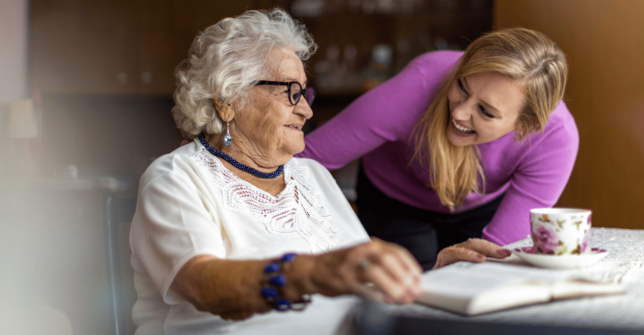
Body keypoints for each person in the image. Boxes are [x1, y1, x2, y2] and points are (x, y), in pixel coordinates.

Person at [129, 9, 510, 335]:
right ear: (228, 101)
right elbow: (203, 285)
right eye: (289, 93)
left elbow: (358, 279)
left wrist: (435, 273)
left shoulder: (310, 175)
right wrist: (309, 273)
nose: (307, 111)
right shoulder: (177, 178)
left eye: (305, 94)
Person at [297, 28, 577, 270]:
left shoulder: (554, 138)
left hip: (480, 205)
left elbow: (497, 257)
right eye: (462, 87)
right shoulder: (419, 84)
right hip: (395, 199)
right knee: (405, 294)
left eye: (485, 111)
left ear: (525, 126)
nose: (460, 113)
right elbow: (303, 160)